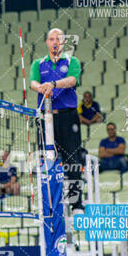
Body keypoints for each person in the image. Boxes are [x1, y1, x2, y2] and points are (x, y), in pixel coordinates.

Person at [30, 28, 84, 212]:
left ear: (63, 42)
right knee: (46, 160)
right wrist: (42, 89)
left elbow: (72, 80)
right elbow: (33, 83)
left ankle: (76, 204)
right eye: (51, 39)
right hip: (45, 118)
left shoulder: (72, 61)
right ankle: (49, 204)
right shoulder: (38, 64)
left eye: (58, 39)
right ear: (47, 42)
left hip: (68, 117)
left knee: (72, 160)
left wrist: (52, 85)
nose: (55, 42)